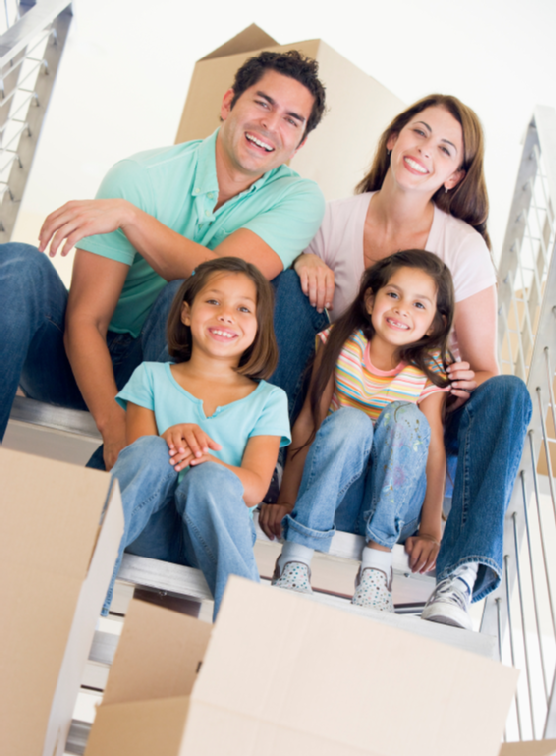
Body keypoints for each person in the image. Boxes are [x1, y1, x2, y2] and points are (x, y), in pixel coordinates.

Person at [263, 94, 532, 628]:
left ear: (455, 175)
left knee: (510, 393)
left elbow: (484, 369)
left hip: (421, 406)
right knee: (287, 286)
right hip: (340, 397)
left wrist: (457, 379)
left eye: (444, 148)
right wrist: (302, 256)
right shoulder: (333, 218)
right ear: (393, 138)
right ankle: (267, 472)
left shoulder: (463, 248)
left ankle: (458, 573)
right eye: (418, 132)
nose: (424, 150)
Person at [0, 50, 325, 470]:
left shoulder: (299, 199)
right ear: (228, 103)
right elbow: (86, 321)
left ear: (299, 143)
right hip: (84, 358)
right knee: (18, 263)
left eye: (291, 120)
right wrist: (115, 426)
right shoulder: (140, 176)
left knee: (189, 292)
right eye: (262, 103)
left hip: (173, 374)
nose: (271, 125)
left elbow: (216, 280)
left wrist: (130, 218)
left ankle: (201, 473)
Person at [260, 250, 453, 612]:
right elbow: (307, 422)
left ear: (434, 324)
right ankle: (295, 558)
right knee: (350, 421)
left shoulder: (430, 371)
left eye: (418, 304)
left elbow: (435, 450)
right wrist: (287, 499)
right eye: (393, 295)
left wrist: (430, 529)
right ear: (370, 299)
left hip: (395, 506)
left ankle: (377, 571)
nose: (401, 310)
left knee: (405, 418)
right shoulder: (341, 344)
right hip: (333, 496)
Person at [104, 257, 290, 619]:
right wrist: (170, 436)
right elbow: (137, 459)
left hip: (213, 534)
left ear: (259, 326)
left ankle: (241, 628)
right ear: (186, 313)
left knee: (210, 479)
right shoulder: (151, 377)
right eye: (213, 301)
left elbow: (253, 488)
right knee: (152, 449)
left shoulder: (270, 399)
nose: (225, 315)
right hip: (148, 526)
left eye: (242, 308)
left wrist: (207, 461)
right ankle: (87, 582)